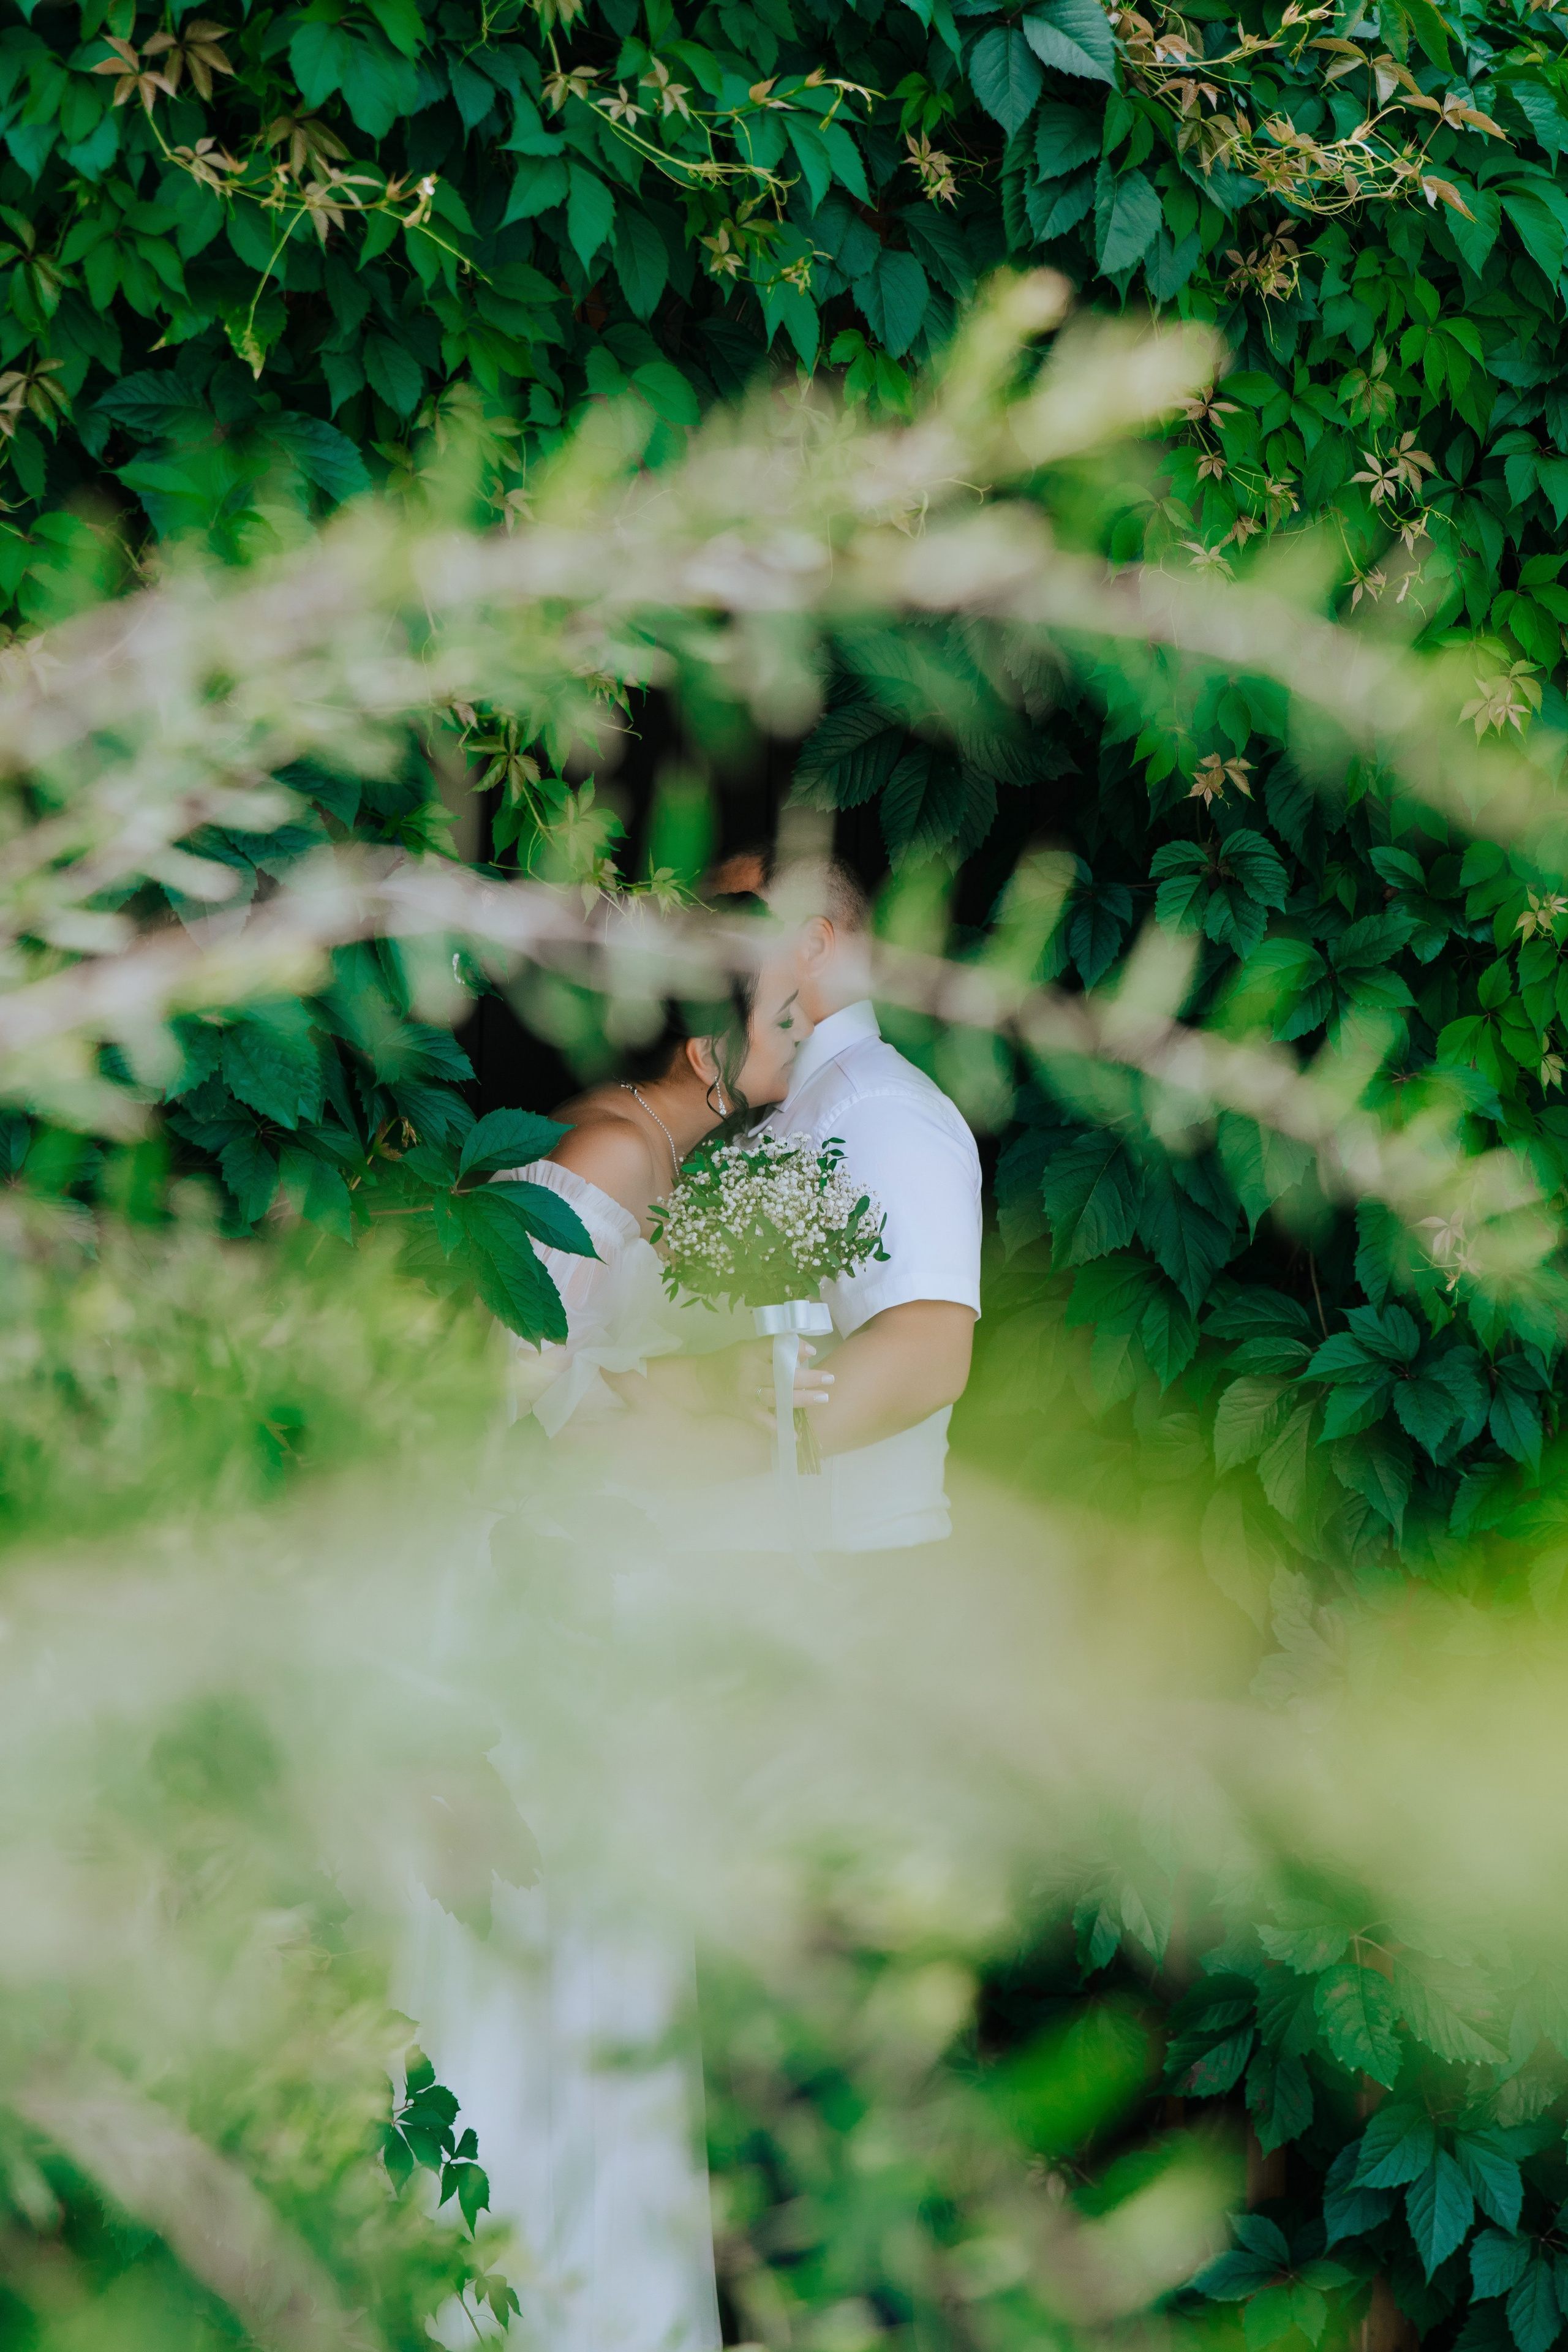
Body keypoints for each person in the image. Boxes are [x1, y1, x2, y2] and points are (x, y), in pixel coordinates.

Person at [691, 851, 984, 1556]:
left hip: (848, 1571)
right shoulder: (784, 1100)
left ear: (813, 943)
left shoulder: (878, 1106)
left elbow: (927, 1351)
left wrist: (689, 1463)